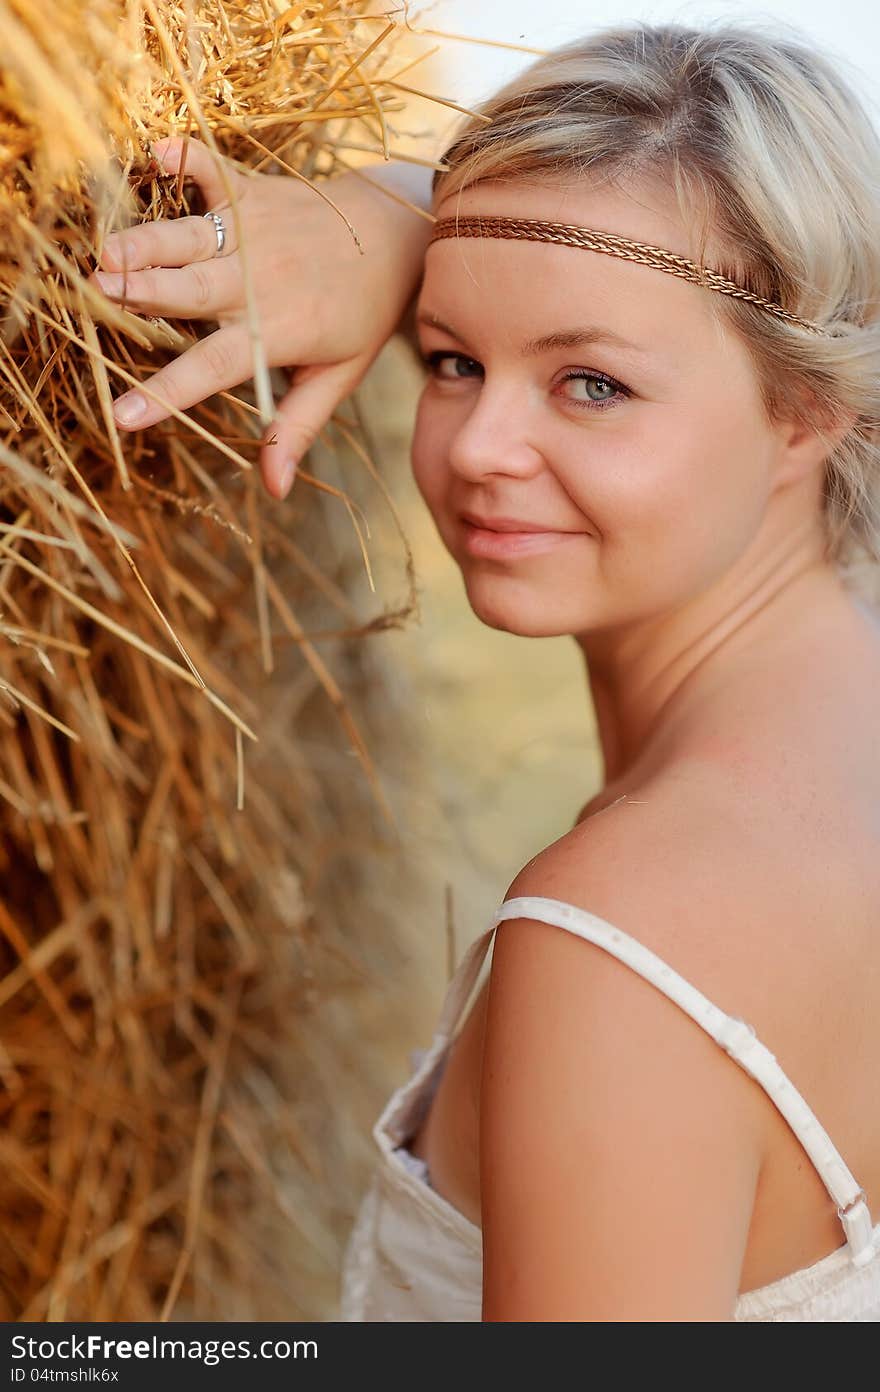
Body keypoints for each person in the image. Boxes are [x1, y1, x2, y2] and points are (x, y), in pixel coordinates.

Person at [91, 19, 880, 1321]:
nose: (475, 449)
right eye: (451, 359)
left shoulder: (618, 946)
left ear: (807, 411)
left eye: (590, 386)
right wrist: (390, 218)